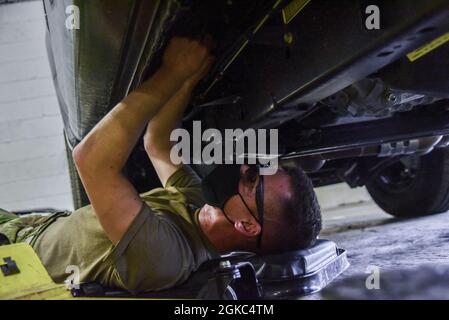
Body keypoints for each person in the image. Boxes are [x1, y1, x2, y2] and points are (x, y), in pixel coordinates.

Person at [0, 37, 321, 294]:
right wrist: (189, 80)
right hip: (27, 225)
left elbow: (92, 160)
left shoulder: (167, 258)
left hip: (11, 258)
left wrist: (172, 71)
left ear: (248, 226)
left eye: (252, 179)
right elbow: (159, 143)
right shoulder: (199, 203)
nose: (242, 168)